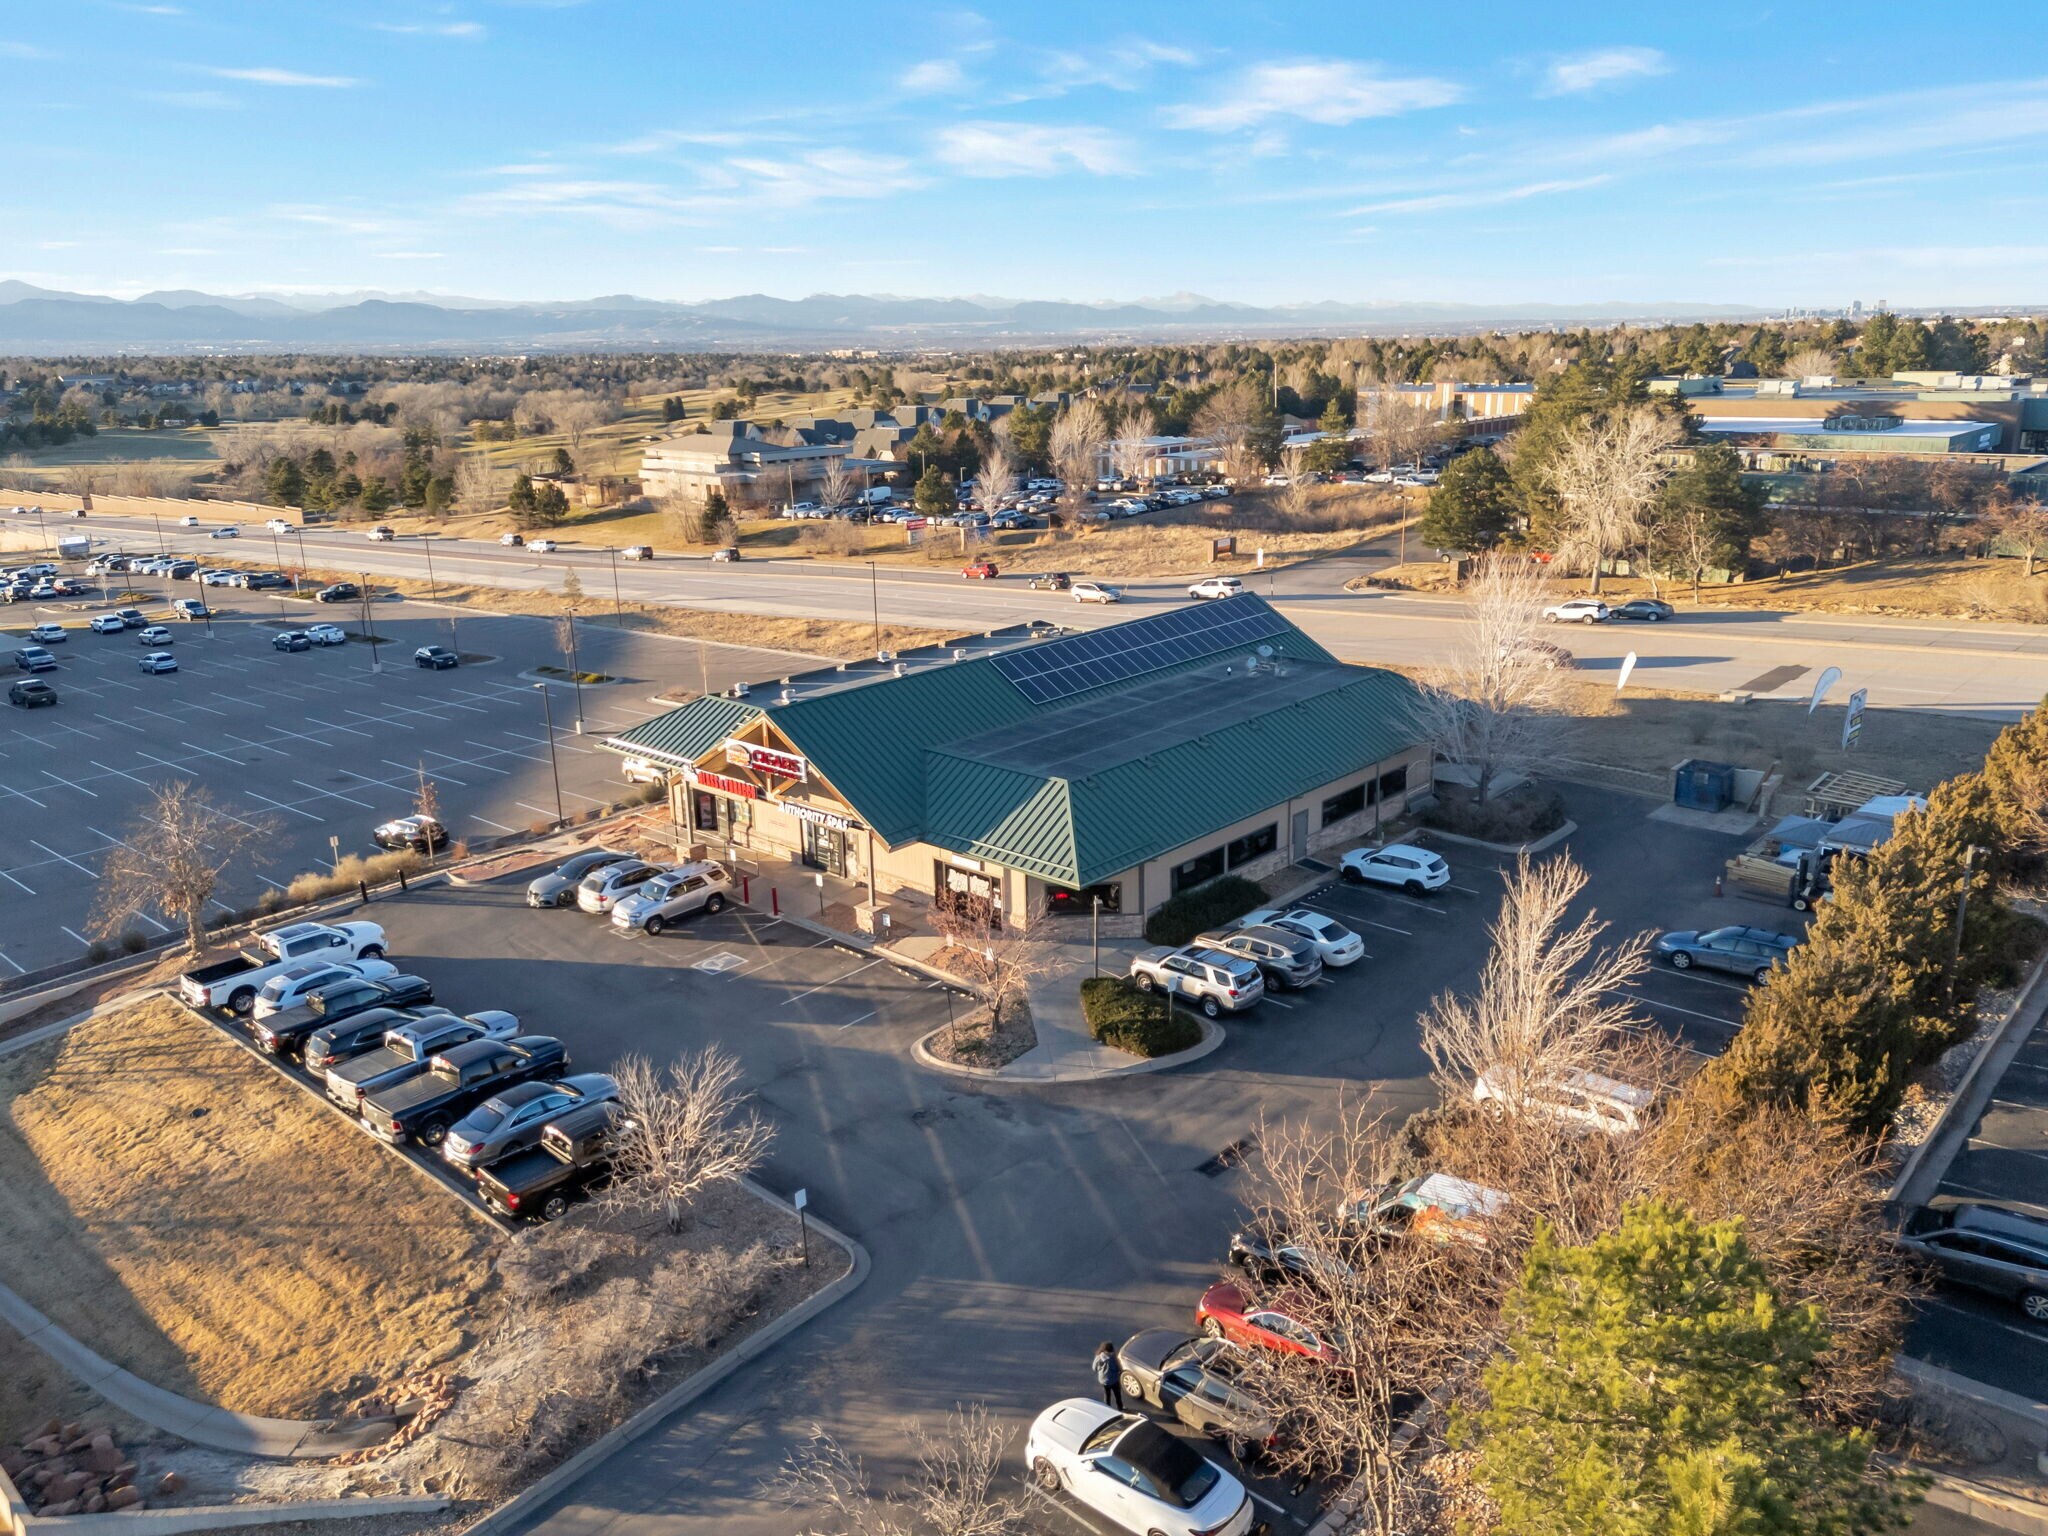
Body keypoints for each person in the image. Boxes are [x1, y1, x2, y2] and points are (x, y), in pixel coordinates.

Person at [1092, 1341, 1121, 1409]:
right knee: (1117, 1395)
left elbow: (1094, 1368)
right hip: (1114, 1380)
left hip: (1104, 1380)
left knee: (1107, 1396)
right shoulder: (1113, 1357)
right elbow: (1117, 1368)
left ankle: (1108, 1409)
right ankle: (1120, 1407)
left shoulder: (1098, 1357)